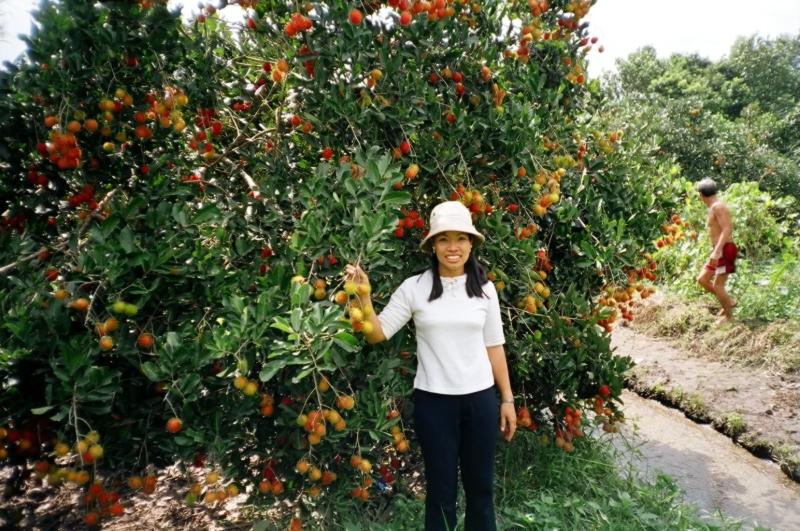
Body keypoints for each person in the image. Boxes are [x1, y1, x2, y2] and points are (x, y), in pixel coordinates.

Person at [344, 201, 516, 531]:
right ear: (433, 245)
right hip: (434, 404)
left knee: (481, 490)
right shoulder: (415, 288)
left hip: (480, 402)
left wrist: (506, 399)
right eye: (444, 239)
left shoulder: (485, 290)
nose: (453, 247)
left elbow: (495, 347)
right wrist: (364, 298)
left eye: (461, 238)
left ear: (471, 244)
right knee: (440, 493)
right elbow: (377, 334)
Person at [695, 178, 738, 321]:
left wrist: (717, 250)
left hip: (725, 249)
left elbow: (727, 229)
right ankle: (728, 302)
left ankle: (729, 316)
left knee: (718, 285)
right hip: (719, 249)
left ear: (701, 195)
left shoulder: (718, 207)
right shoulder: (713, 208)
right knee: (702, 279)